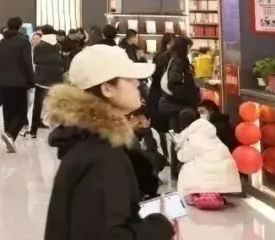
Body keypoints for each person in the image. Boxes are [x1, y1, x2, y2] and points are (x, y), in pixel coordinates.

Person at [44, 44, 175, 240]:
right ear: (107, 88)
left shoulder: (90, 141)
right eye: (129, 79)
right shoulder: (102, 157)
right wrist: (159, 228)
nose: (137, 83)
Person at [174, 108, 240, 202]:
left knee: (187, 167)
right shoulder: (207, 129)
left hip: (208, 171)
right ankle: (215, 194)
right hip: (225, 170)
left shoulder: (193, 135)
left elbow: (184, 157)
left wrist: (178, 150)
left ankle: (200, 195)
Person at [0, 16, 34, 152]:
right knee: (22, 112)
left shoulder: (3, 42)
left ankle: (10, 140)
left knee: (8, 111)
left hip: (4, 82)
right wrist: (31, 80)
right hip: (19, 82)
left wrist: (1, 76)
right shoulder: (23, 42)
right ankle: (10, 135)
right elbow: (27, 63)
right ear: (20, 26)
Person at [157, 36, 202, 143]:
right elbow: (174, 85)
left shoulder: (177, 60)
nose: (190, 50)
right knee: (179, 137)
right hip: (177, 106)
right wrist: (191, 97)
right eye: (189, 47)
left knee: (178, 137)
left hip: (175, 105)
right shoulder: (178, 61)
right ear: (184, 47)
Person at [30, 25, 63, 137]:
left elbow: (35, 60)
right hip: (57, 77)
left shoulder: (40, 46)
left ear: (43, 33)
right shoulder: (58, 45)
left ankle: (33, 131)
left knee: (37, 105)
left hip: (42, 78)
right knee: (56, 105)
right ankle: (57, 129)